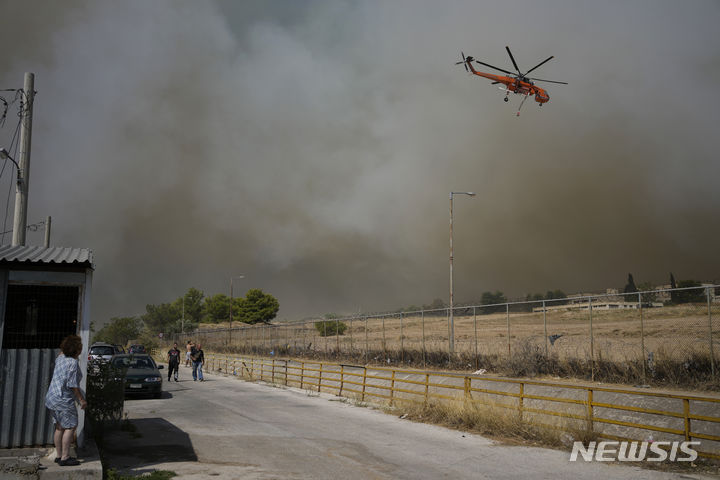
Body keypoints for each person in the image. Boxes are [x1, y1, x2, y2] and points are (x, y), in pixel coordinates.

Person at [45, 335, 87, 467]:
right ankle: (65, 457)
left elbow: (62, 351)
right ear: (75, 350)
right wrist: (81, 400)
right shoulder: (72, 363)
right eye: (80, 347)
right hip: (63, 399)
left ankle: (58, 456)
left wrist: (65, 347)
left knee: (59, 426)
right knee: (70, 426)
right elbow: (73, 385)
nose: (81, 349)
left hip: (51, 397)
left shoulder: (61, 358)